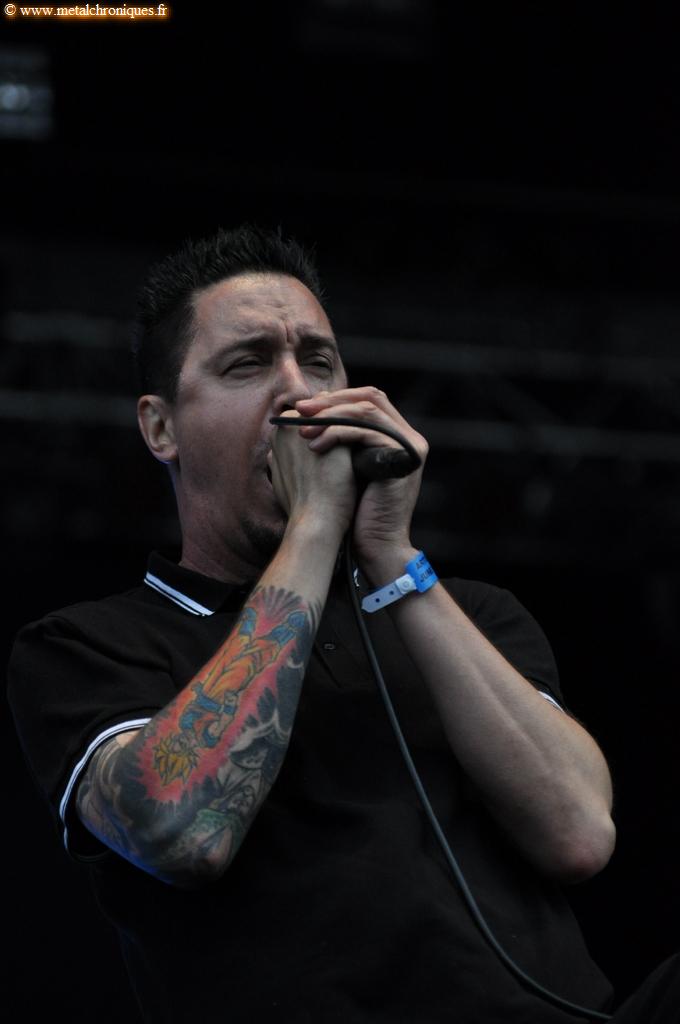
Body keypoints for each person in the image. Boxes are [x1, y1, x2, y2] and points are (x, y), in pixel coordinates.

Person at [7, 225, 675, 1023]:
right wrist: (315, 526)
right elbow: (181, 833)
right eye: (248, 363)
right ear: (161, 428)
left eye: (318, 361)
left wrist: (391, 555)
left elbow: (578, 833)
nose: (298, 394)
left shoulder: (469, 613)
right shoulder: (84, 645)